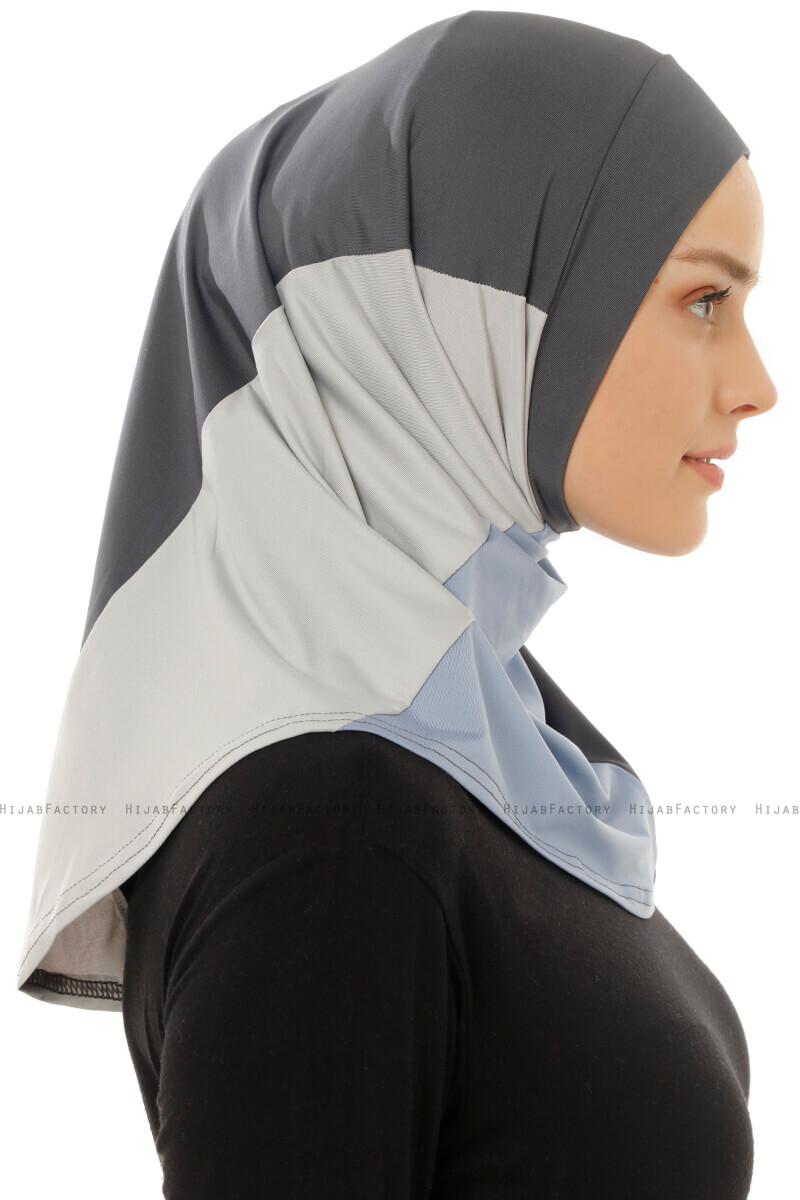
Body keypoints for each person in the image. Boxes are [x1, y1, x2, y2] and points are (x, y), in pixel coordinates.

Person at [15, 11, 776, 1197]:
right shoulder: (325, 829)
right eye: (702, 301)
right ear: (481, 299)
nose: (756, 384)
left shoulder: (474, 764)